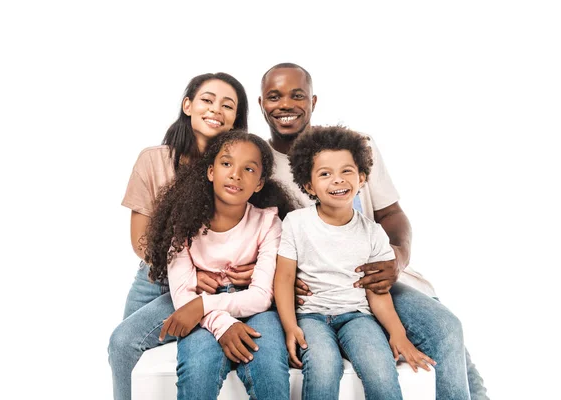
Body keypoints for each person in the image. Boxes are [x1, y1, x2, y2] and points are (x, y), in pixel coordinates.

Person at [258, 62, 489, 399]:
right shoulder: (257, 163)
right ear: (262, 103)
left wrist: (397, 259)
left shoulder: (356, 147)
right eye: (274, 97)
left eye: (297, 95)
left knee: (446, 328)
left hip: (371, 283)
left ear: (313, 101)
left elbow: (392, 213)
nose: (286, 105)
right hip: (315, 297)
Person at [274, 125, 471, 400]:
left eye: (347, 172)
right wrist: (289, 325)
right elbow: (283, 278)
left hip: (358, 317)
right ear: (309, 186)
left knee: (380, 367)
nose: (338, 180)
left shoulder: (373, 233)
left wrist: (397, 333)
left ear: (362, 178)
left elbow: (377, 290)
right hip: (311, 318)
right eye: (325, 174)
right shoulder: (296, 223)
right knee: (322, 366)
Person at [108, 72, 251, 400]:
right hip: (154, 282)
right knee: (126, 353)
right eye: (207, 100)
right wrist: (189, 272)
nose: (216, 109)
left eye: (228, 106)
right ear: (188, 105)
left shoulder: (236, 167)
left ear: (235, 121)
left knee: (135, 346)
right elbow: (140, 241)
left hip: (213, 285)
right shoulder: (153, 159)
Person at [144, 130, 294, 400]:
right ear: (211, 171)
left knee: (270, 367)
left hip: (252, 308)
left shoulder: (269, 223)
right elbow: (183, 297)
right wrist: (221, 323)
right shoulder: (183, 225)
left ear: (260, 183)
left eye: (248, 169)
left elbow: (261, 296)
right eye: (226, 164)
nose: (236, 174)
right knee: (197, 369)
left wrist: (203, 305)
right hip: (203, 314)